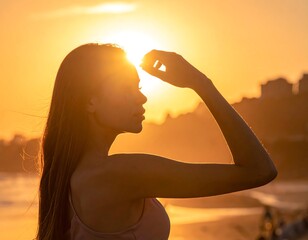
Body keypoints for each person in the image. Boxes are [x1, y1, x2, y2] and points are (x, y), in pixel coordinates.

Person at [36, 43, 277, 240]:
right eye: (126, 88)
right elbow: (258, 170)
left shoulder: (67, 179)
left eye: (138, 87)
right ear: (90, 102)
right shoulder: (122, 175)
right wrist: (201, 83)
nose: (142, 97)